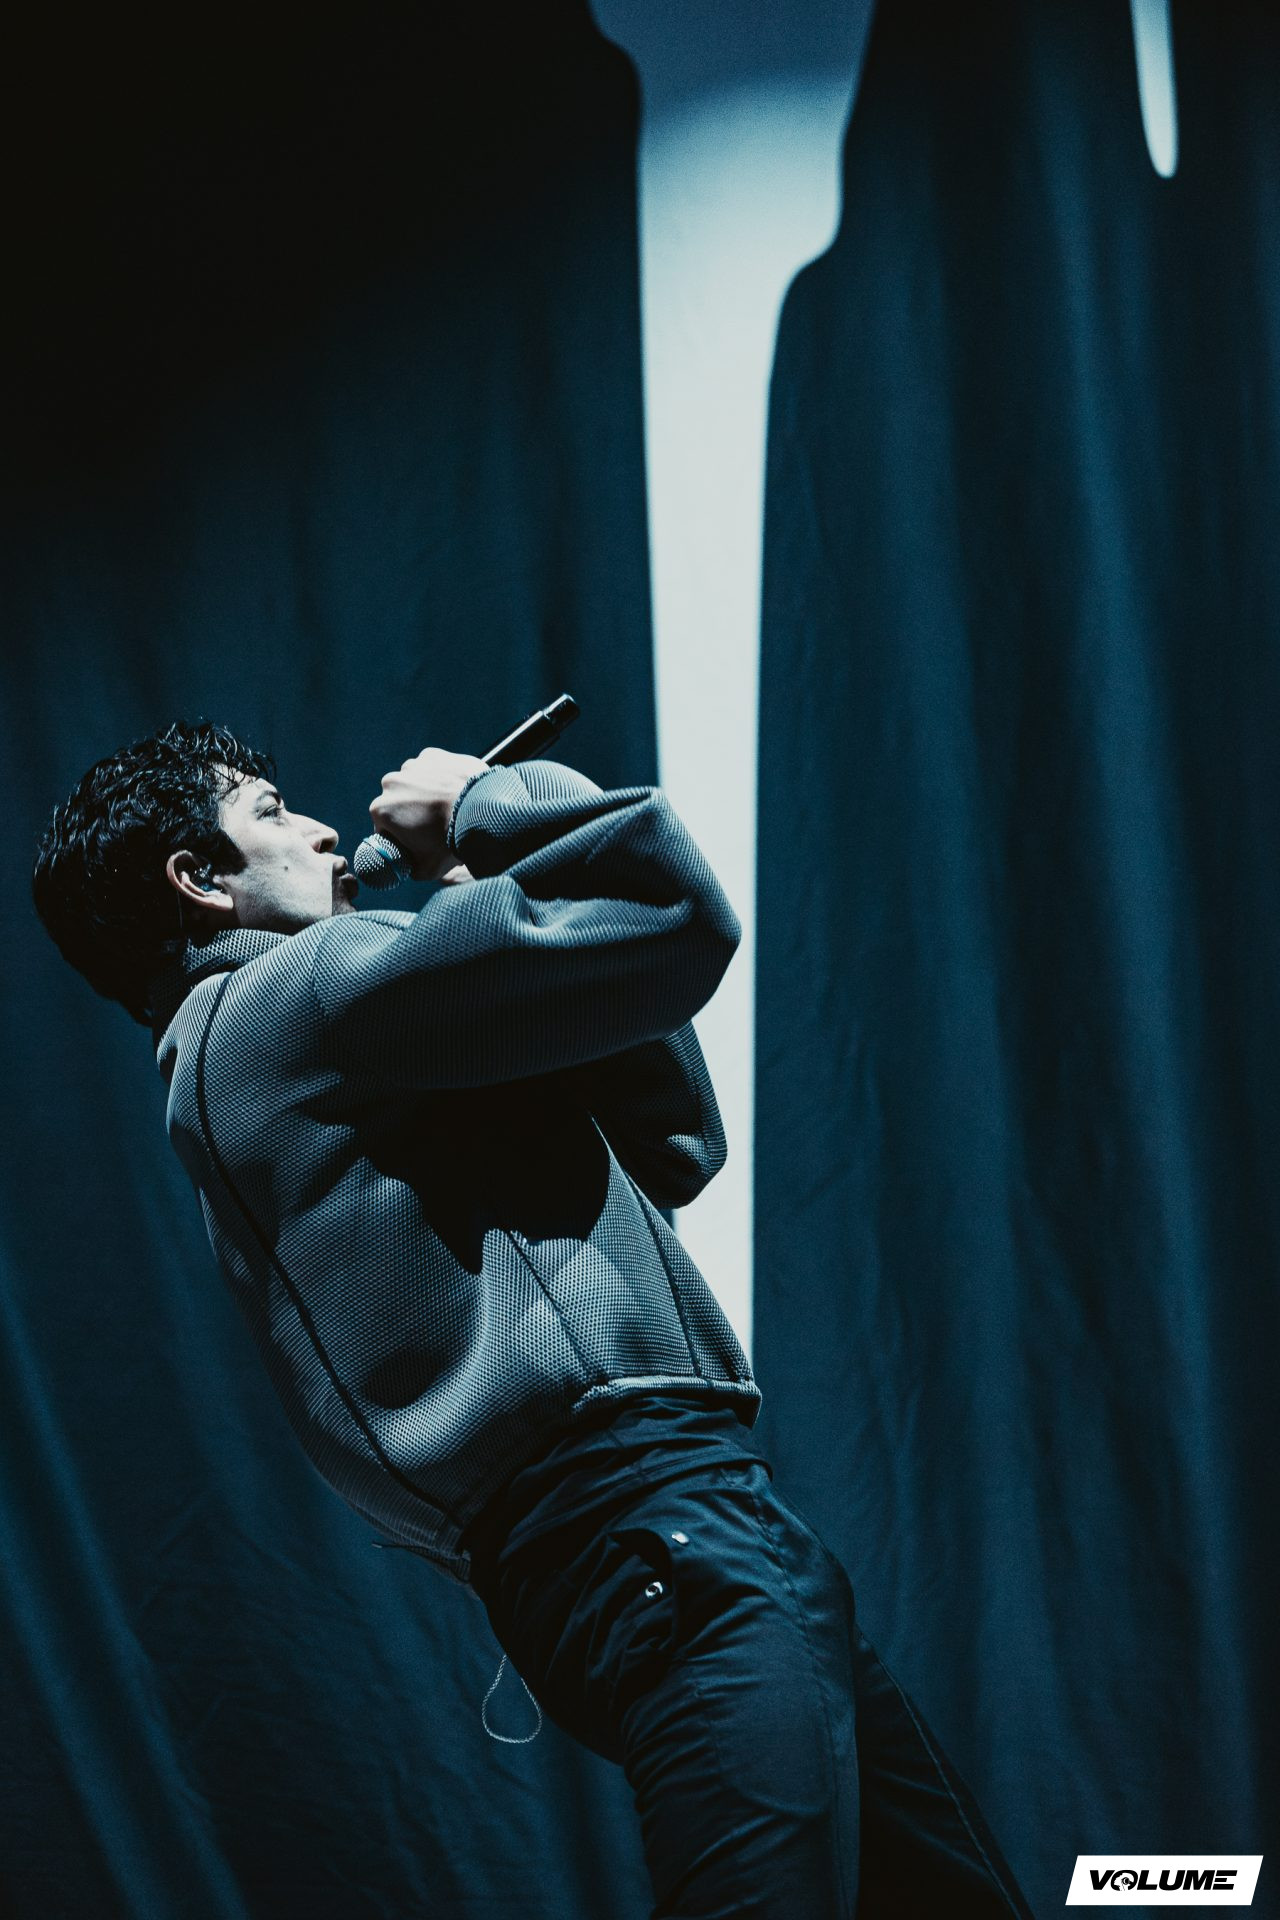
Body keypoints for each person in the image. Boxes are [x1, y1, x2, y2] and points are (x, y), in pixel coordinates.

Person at [33, 718, 1036, 1920]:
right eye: (269, 811)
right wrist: (487, 802)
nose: (320, 828)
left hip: (629, 1549)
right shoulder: (294, 996)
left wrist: (482, 889)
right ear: (199, 880)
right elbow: (673, 915)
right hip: (650, 1524)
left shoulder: (284, 1041)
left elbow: (667, 1144)